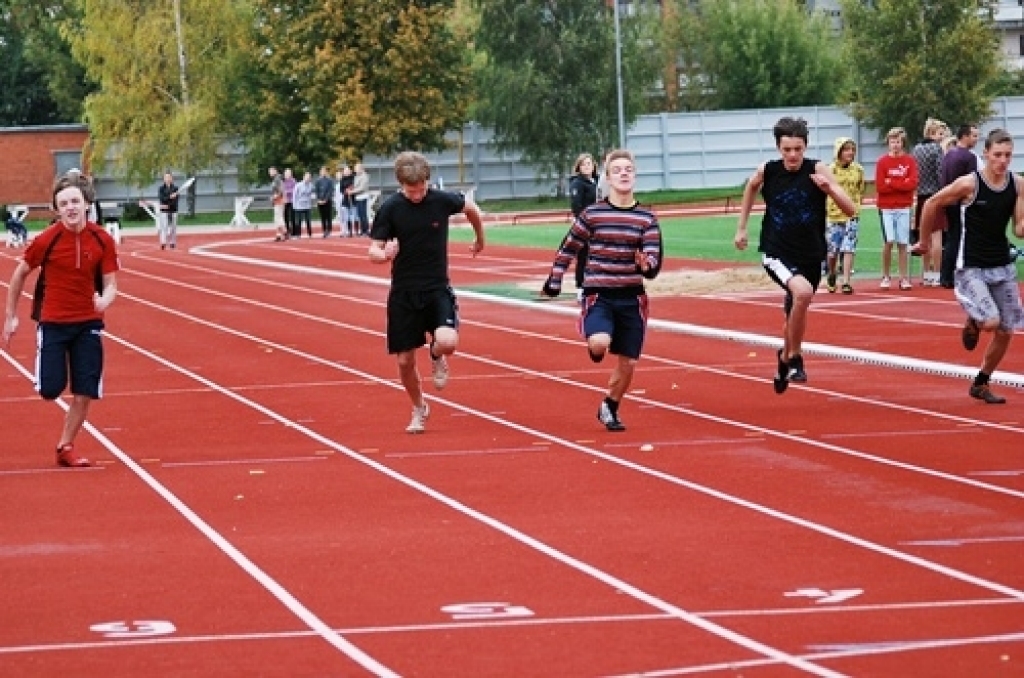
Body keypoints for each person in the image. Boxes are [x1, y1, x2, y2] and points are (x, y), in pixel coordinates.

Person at [2, 171, 120, 467]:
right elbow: (19, 274)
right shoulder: (47, 240)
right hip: (54, 322)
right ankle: (49, 376)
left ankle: (65, 446)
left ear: (86, 203)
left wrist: (104, 300)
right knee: (51, 388)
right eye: (64, 203)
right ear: (56, 208)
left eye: (75, 201)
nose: (70, 207)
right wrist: (11, 316)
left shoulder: (102, 239)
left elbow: (111, 283)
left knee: (85, 390)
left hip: (89, 323)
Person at [541, 149, 663, 432]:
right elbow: (569, 247)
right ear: (607, 178)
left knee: (629, 362)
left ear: (635, 176)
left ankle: (610, 405)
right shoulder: (593, 214)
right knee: (599, 343)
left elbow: (654, 260)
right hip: (600, 293)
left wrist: (646, 264)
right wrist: (555, 280)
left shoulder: (647, 218)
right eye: (617, 170)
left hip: (632, 296)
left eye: (628, 169)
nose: (623, 173)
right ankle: (595, 340)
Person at [734, 116, 856, 394]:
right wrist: (741, 227)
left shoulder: (818, 169)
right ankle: (796, 357)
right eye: (787, 149)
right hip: (777, 251)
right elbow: (751, 187)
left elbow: (849, 209)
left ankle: (784, 357)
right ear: (779, 148)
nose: (792, 155)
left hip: (812, 253)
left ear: (805, 147)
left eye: (797, 149)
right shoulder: (769, 170)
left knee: (796, 306)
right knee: (802, 294)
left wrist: (829, 191)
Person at [368, 151, 485, 433]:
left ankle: (436, 355)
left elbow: (472, 209)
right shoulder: (391, 208)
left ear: (427, 182)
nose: (418, 195)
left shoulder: (441, 200)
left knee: (447, 342)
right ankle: (419, 406)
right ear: (401, 185)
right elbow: (372, 250)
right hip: (404, 293)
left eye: (421, 189)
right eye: (411, 191)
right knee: (405, 361)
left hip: (436, 288)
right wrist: (384, 254)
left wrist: (479, 238)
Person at [913, 129, 1024, 404]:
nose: (1003, 160)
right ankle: (975, 318)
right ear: (985, 154)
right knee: (991, 321)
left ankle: (982, 382)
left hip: (1001, 263)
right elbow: (933, 202)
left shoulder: (1017, 185)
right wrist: (924, 240)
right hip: (970, 264)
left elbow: (1019, 229)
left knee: (1007, 329)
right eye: (997, 155)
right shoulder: (969, 184)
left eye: (1008, 155)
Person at [875, 127, 919, 291]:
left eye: (898, 141)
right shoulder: (882, 162)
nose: (895, 145)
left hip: (904, 207)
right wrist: (900, 184)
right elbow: (880, 186)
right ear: (888, 143)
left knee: (903, 243)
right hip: (886, 207)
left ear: (903, 143)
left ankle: (903, 277)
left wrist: (892, 182)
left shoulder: (910, 161)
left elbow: (912, 183)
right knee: (888, 241)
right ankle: (886, 276)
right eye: (892, 141)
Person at [939, 124, 980, 288]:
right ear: (965, 136)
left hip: (948, 200)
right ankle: (953, 275)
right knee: (959, 238)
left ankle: (946, 275)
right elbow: (971, 183)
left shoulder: (949, 154)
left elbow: (943, 179)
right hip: (962, 203)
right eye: (974, 136)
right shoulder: (969, 157)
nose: (976, 139)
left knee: (951, 238)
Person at [824, 137, 865, 294]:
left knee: (849, 248)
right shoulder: (830, 170)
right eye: (846, 149)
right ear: (839, 151)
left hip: (852, 215)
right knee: (833, 250)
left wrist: (856, 206)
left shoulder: (858, 170)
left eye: (852, 149)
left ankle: (846, 280)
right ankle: (832, 272)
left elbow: (860, 190)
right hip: (834, 215)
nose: (850, 152)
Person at [912, 118, 947, 286]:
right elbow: (941, 172)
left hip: (920, 196)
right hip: (935, 194)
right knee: (936, 236)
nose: (942, 137)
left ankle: (926, 273)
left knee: (923, 236)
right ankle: (937, 273)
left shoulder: (916, 149)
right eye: (940, 133)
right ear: (932, 133)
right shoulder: (936, 149)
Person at [566, 152, 599, 302]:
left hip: (599, 224)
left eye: (589, 164)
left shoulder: (597, 181)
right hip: (585, 225)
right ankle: (581, 287)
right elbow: (576, 206)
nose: (587, 167)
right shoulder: (577, 183)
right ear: (579, 167)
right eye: (584, 164)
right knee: (583, 255)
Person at [157, 172, 179, 250]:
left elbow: (176, 200)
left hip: (173, 210)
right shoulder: (161, 188)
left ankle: (172, 242)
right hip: (164, 210)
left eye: (169, 177)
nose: (167, 179)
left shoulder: (175, 188)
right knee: (164, 227)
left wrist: (170, 202)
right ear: (164, 179)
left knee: (173, 227)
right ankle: (163, 242)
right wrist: (170, 197)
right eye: (166, 177)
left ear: (171, 178)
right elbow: (162, 199)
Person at [314, 166, 335, 237]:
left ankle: (329, 230)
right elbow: (316, 191)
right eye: (321, 171)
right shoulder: (317, 181)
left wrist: (326, 199)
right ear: (320, 172)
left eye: (324, 171)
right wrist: (318, 199)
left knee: (328, 216)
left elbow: (330, 191)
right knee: (322, 217)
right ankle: (324, 230)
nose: (323, 173)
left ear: (326, 172)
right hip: (320, 201)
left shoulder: (330, 180)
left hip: (328, 201)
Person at [292, 171, 314, 238]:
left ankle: (310, 233)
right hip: (299, 205)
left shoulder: (311, 185)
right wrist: (294, 205)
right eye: (307, 177)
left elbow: (312, 194)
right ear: (304, 177)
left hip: (307, 205)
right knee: (298, 221)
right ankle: (298, 234)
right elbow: (294, 195)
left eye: (309, 177)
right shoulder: (298, 185)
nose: (308, 178)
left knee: (308, 220)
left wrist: (312, 199)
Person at [351, 162, 371, 236]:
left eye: (356, 168)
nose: (355, 170)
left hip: (363, 197)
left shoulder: (365, 176)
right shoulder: (356, 176)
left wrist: (352, 191)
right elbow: (356, 186)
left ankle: (366, 230)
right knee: (360, 215)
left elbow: (362, 188)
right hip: (357, 197)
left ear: (360, 169)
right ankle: (362, 230)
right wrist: (351, 189)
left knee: (363, 214)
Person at [269, 166, 288, 241]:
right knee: (276, 218)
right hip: (277, 201)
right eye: (269, 171)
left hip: (279, 200)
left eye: (271, 171)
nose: (270, 173)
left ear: (275, 171)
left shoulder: (278, 179)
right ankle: (278, 235)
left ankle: (285, 232)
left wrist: (274, 197)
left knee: (279, 218)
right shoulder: (275, 179)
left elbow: (281, 190)